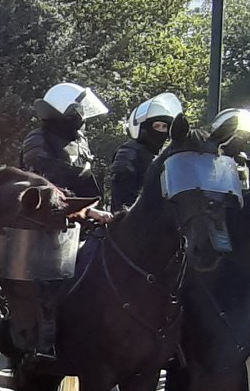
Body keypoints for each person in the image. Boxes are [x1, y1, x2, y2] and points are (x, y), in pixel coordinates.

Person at [14, 81, 113, 360]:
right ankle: (43, 343)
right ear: (64, 112)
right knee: (49, 284)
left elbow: (88, 184)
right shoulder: (38, 140)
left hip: (83, 223)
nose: (82, 118)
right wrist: (87, 211)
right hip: (46, 224)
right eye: (78, 111)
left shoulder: (80, 141)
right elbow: (46, 186)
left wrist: (97, 210)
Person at [111, 93, 183, 210]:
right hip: (134, 217)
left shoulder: (162, 155)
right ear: (145, 128)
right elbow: (122, 195)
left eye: (164, 126)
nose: (161, 130)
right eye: (156, 126)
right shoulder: (129, 153)